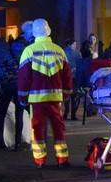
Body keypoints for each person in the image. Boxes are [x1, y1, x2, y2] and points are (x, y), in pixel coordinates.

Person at [17, 18, 73, 168]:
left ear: (33, 33)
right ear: (48, 31)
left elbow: (23, 78)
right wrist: (66, 94)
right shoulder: (59, 50)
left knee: (37, 130)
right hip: (55, 98)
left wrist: (22, 98)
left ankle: (40, 160)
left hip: (36, 100)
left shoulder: (28, 51)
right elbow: (67, 75)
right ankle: (62, 159)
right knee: (58, 128)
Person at [0, 44, 23, 150]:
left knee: (1, 114)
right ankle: (18, 143)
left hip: (6, 86)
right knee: (19, 115)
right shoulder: (24, 55)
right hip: (20, 87)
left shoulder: (5, 55)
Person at [63, 38, 83, 120]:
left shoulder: (78, 53)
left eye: (75, 44)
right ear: (69, 45)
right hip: (67, 76)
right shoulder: (64, 52)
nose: (75, 46)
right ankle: (66, 112)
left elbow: (80, 63)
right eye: (73, 44)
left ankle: (73, 114)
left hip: (75, 76)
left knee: (74, 96)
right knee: (67, 95)